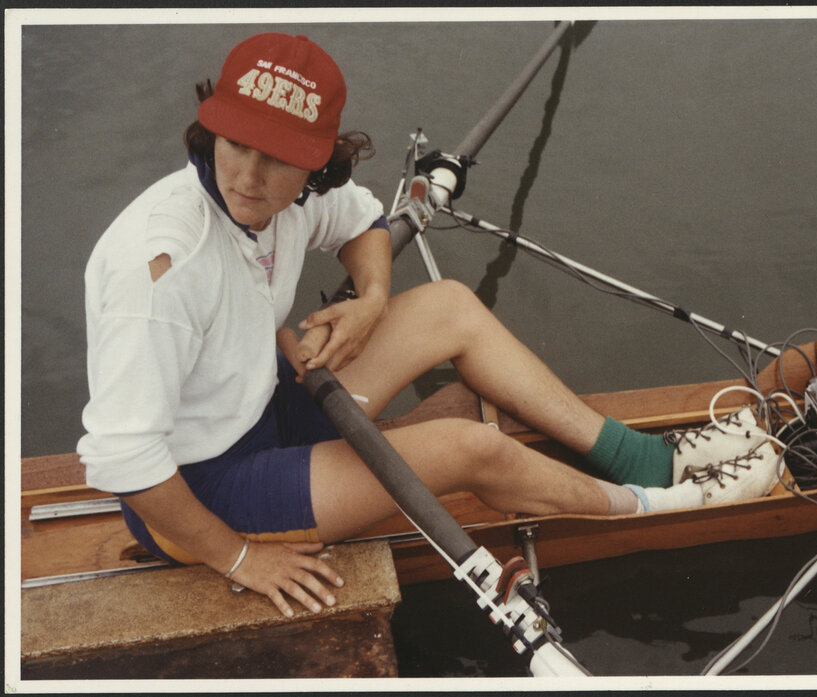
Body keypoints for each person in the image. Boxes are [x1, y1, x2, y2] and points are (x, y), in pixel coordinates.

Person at [78, 32, 779, 619]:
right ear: (212, 128)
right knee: (471, 449)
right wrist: (241, 557)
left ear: (315, 161)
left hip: (265, 409)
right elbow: (124, 461)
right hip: (204, 491)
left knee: (446, 303)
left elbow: (363, 222)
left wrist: (373, 300)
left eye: (277, 155)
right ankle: (658, 502)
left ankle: (644, 456)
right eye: (235, 144)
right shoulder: (159, 267)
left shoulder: (288, 201)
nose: (249, 177)